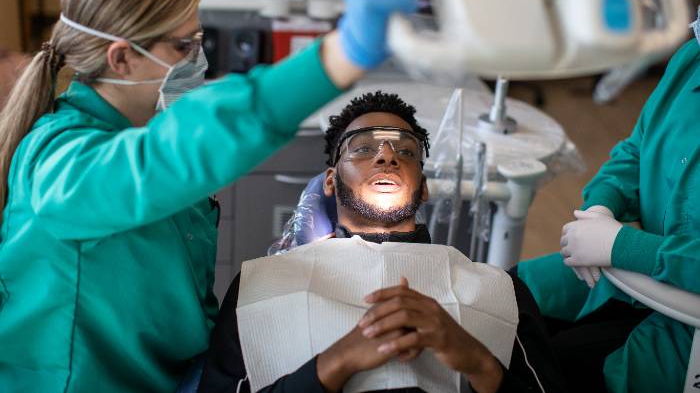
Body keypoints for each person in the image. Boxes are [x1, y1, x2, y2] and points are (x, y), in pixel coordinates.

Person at [0, 0, 418, 392]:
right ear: (121, 57)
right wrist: (343, 53)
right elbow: (176, 152)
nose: (197, 59)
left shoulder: (141, 128)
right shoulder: (62, 165)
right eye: (183, 45)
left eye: (198, 40)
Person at [199, 92, 567, 393]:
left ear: (423, 188)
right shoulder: (260, 286)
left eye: (406, 152)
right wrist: (336, 363)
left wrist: (477, 361)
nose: (387, 155)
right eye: (362, 149)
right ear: (330, 181)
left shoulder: (499, 290)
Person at [517, 36, 700, 392]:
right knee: (501, 294)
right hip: (630, 277)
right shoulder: (692, 57)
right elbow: (636, 150)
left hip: (685, 328)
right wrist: (600, 206)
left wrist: (623, 245)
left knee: (540, 369)